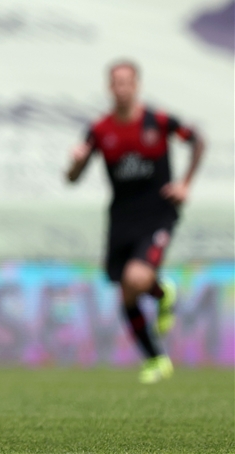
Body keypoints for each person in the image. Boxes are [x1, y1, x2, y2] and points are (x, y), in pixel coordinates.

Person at [66, 60, 204, 384]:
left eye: (127, 82)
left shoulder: (158, 121)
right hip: (121, 219)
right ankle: (157, 358)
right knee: (126, 295)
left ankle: (156, 289)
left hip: (158, 214)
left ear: (137, 85)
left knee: (136, 277)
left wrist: (185, 183)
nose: (122, 88)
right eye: (116, 82)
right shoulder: (99, 130)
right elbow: (72, 178)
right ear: (109, 87)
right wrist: (75, 163)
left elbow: (197, 140)